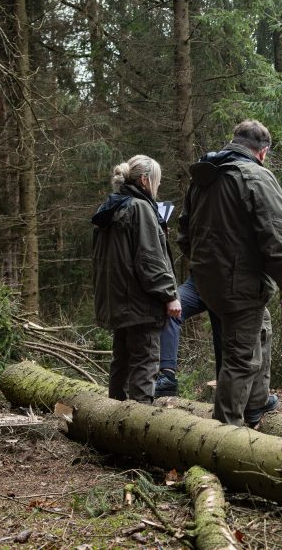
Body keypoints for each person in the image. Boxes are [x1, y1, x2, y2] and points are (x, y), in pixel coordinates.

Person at [180, 120, 282, 427]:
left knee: (261, 327)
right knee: (240, 359)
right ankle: (225, 431)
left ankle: (257, 402)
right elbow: (275, 237)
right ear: (263, 152)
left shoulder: (205, 176)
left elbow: (184, 232)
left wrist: (206, 267)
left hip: (209, 281)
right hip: (239, 283)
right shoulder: (256, 177)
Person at [92, 155, 181, 403]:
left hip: (117, 301)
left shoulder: (110, 207)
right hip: (140, 303)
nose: (158, 186)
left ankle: (111, 424)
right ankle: (137, 429)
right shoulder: (140, 208)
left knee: (121, 363)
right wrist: (169, 295)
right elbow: (149, 260)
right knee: (144, 363)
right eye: (156, 181)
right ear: (144, 180)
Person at [153, 274, 222, 398]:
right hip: (198, 280)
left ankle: (227, 390)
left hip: (226, 285)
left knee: (224, 339)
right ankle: (167, 378)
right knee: (169, 307)